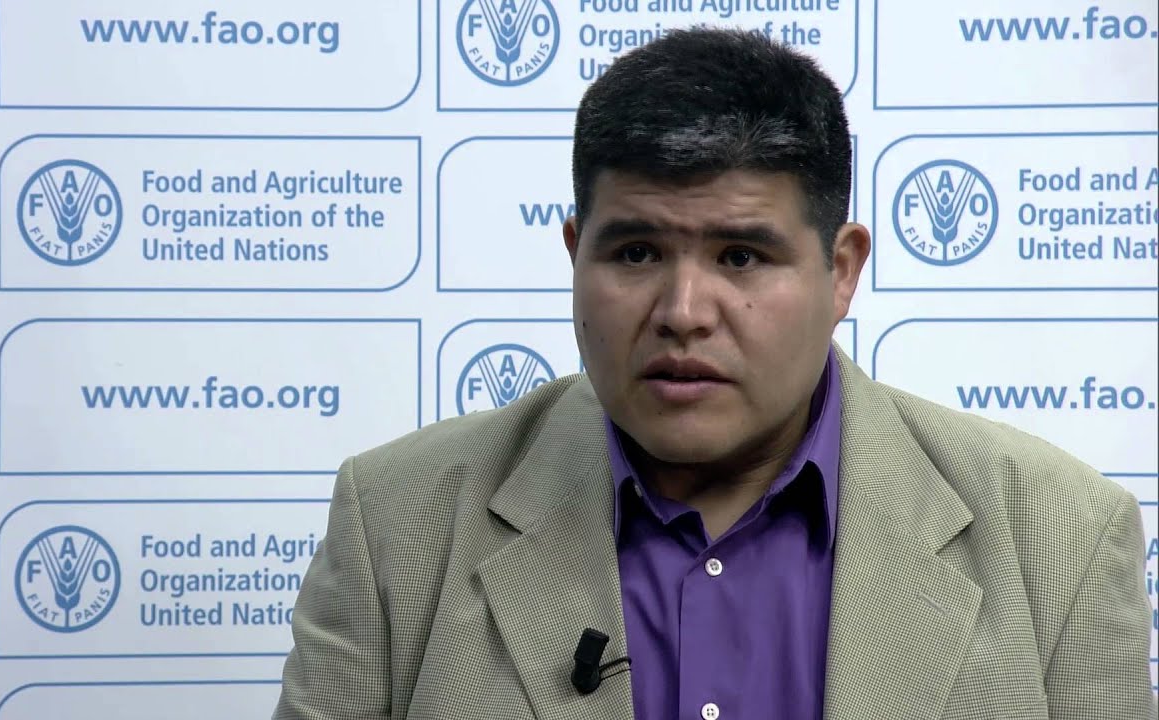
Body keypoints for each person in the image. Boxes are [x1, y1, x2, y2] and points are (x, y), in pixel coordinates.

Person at [273, 28, 1155, 720]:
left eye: (740, 256)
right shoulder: (396, 524)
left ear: (840, 271)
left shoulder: (1061, 539)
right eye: (636, 251)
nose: (683, 310)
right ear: (576, 255)